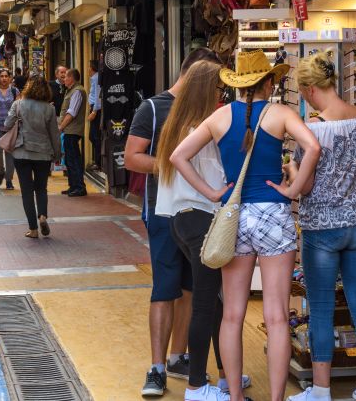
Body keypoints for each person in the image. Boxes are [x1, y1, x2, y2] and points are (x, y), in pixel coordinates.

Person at [170, 50, 321, 401]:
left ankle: (235, 396)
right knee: (278, 317)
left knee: (232, 315)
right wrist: (293, 190)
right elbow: (312, 146)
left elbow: (179, 156)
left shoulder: (220, 117)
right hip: (274, 215)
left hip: (234, 216)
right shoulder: (280, 113)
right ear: (268, 82)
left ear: (239, 84)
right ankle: (277, 398)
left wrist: (211, 192)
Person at [285, 53, 356, 401]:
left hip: (322, 229)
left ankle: (321, 390)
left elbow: (307, 186)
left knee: (322, 309)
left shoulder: (312, 130)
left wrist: (293, 173)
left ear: (310, 90)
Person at [124, 47, 222, 397]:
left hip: (201, 213)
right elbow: (132, 158)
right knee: (165, 287)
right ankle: (157, 367)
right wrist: (176, 165)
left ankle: (179, 356)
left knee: (192, 288)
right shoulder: (153, 107)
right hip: (164, 211)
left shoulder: (211, 111)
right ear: (195, 71)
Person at [155, 60, 247, 401]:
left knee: (213, 303)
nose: (222, 96)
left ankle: (226, 374)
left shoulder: (178, 123)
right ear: (207, 90)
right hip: (200, 218)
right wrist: (213, 192)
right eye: (220, 89)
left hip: (182, 218)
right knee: (206, 305)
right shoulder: (199, 128)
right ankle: (196, 385)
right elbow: (209, 175)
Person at [4, 75, 61, 239]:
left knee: (27, 191)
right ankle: (42, 215)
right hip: (43, 154)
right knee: (41, 188)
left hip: (22, 152)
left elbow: (7, 124)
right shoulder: (49, 109)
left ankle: (33, 229)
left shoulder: (18, 104)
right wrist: (57, 154)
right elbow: (54, 134)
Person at [57, 68, 88, 197]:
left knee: (73, 159)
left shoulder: (77, 91)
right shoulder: (71, 91)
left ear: (71, 78)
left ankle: (79, 187)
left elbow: (72, 113)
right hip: (69, 130)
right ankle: (73, 186)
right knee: (69, 159)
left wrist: (60, 127)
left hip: (72, 131)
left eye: (65, 77)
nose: (64, 79)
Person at [87, 60, 102, 170]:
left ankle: (98, 162)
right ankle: (97, 161)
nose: (87, 69)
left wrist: (94, 111)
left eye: (88, 67)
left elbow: (98, 96)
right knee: (93, 136)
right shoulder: (94, 78)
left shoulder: (96, 78)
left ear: (92, 68)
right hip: (93, 107)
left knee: (95, 136)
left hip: (96, 109)